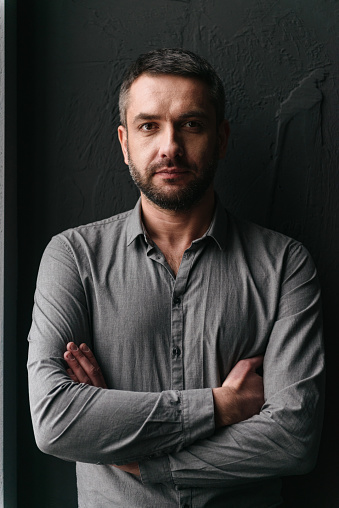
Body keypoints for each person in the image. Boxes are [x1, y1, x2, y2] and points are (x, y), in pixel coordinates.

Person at [28, 48, 324, 508]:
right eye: (149, 126)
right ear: (125, 143)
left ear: (221, 139)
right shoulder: (72, 258)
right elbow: (54, 421)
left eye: (191, 124)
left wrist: (133, 456)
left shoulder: (286, 265)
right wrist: (221, 406)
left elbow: (293, 439)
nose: (170, 146)